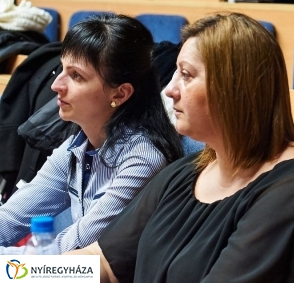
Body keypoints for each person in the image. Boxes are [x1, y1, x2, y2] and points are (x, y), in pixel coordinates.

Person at [70, 13, 294, 283]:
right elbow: (104, 263)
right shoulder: (188, 173)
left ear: (233, 89)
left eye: (187, 75)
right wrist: (24, 272)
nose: (170, 90)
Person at [0, 14, 183, 253]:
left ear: (119, 94)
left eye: (76, 76)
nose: (56, 86)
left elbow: (70, 252)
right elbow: (10, 219)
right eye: (61, 69)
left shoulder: (143, 159)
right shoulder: (75, 146)